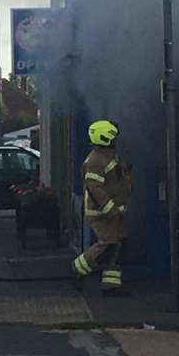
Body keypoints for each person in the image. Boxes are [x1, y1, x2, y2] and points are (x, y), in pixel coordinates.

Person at [72, 118, 132, 297]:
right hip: (102, 213)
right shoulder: (96, 160)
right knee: (107, 245)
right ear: (105, 138)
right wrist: (110, 208)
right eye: (112, 137)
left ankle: (111, 284)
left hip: (115, 211)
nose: (115, 141)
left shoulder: (108, 156)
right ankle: (77, 269)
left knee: (118, 245)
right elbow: (95, 188)